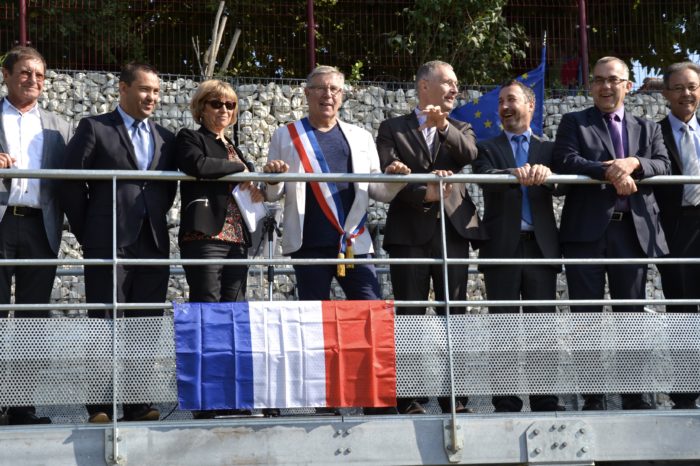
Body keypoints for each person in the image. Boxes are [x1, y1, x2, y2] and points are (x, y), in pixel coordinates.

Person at [262, 65, 409, 415]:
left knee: (370, 317)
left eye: (335, 89)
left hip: (354, 242)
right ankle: (323, 400)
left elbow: (379, 192)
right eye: (321, 88)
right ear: (306, 93)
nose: (328, 95)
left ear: (342, 95)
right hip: (308, 242)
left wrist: (397, 179)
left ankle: (374, 400)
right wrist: (271, 178)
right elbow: (272, 193)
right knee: (314, 326)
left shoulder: (359, 136)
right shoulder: (286, 135)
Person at [552, 56, 670, 411]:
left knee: (631, 317)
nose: (606, 86)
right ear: (590, 86)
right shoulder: (574, 122)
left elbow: (663, 164)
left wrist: (633, 163)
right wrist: (610, 172)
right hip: (585, 234)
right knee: (586, 319)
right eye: (599, 80)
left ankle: (635, 396)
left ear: (628, 86)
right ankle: (593, 396)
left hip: (631, 235)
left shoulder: (647, 128)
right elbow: (565, 161)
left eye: (614, 80)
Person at [62, 62, 177, 423]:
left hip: (153, 242)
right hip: (107, 242)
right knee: (105, 322)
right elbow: (69, 183)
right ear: (123, 88)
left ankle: (137, 403)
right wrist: (90, 234)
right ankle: (99, 405)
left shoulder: (166, 137)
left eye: (156, 92)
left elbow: (165, 189)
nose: (152, 98)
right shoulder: (95, 127)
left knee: (145, 324)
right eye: (145, 89)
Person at [376, 60, 484, 415]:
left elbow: (469, 154)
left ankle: (457, 398)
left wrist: (444, 126)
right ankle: (408, 398)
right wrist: (426, 192)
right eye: (449, 82)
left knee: (455, 314)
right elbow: (391, 172)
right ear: (424, 85)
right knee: (410, 314)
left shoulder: (462, 125)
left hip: (452, 231)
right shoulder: (392, 127)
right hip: (408, 232)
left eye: (456, 84)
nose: (455, 89)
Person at [473, 79, 563, 413]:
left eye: (511, 100)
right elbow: (484, 177)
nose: (505, 108)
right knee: (503, 328)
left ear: (530, 105)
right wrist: (513, 173)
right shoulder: (486, 147)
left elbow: (564, 188)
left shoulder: (549, 149)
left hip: (541, 249)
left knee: (543, 328)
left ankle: (545, 400)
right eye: (501, 103)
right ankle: (506, 401)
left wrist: (548, 174)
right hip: (501, 249)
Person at [176, 79, 264, 418]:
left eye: (229, 105)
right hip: (206, 238)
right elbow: (198, 165)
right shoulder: (190, 137)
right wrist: (241, 169)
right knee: (206, 314)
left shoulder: (234, 147)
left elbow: (245, 180)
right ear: (201, 108)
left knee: (232, 317)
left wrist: (253, 181)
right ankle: (205, 400)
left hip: (236, 239)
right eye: (216, 104)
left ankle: (230, 395)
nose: (223, 110)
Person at [0, 46, 71, 425]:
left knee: (32, 319)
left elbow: (71, 184)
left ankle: (21, 405)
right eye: (26, 73)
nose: (33, 81)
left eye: (40, 75)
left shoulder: (58, 125)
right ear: (6, 75)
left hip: (40, 226)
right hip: (1, 222)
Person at [653, 61, 700, 409]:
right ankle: (685, 394)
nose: (687, 94)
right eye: (680, 88)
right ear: (667, 93)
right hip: (676, 227)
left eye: (693, 86)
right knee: (682, 312)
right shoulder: (653, 133)